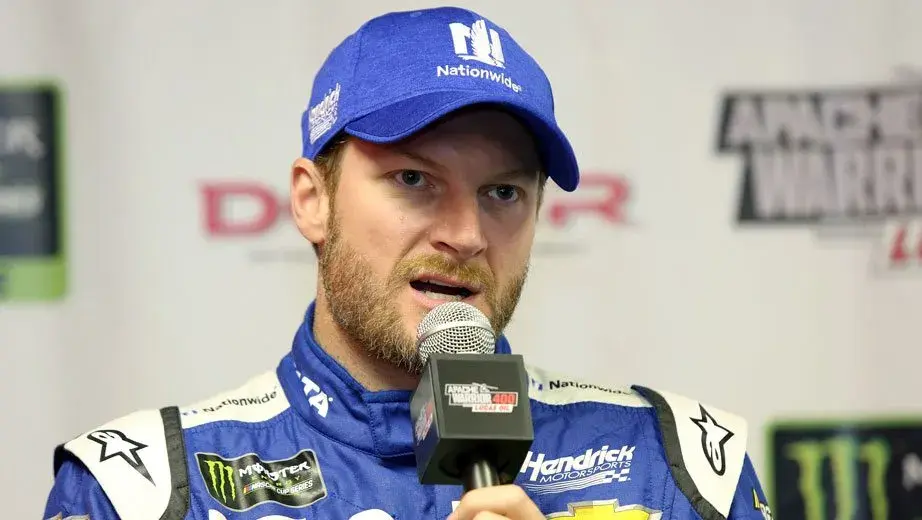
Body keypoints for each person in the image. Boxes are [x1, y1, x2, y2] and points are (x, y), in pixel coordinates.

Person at [44, 6, 771, 520]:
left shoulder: (683, 467)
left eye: (503, 192)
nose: (466, 233)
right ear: (312, 201)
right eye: (414, 179)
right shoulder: (142, 490)